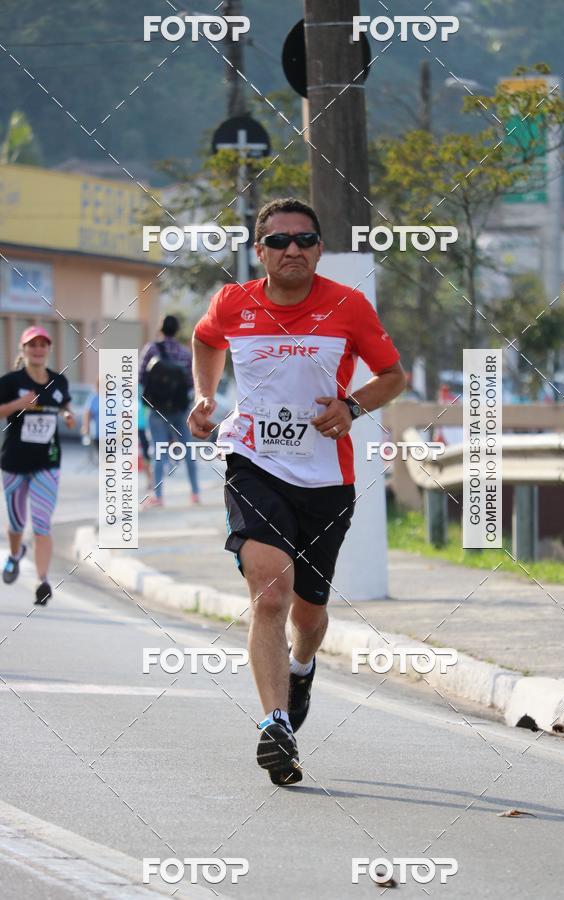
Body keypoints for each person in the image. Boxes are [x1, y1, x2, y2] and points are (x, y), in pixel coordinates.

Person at [188, 197, 406, 785]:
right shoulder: (233, 302)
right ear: (259, 251)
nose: (293, 250)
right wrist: (206, 396)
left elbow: (393, 375)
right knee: (270, 595)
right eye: (280, 241)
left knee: (308, 615)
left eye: (305, 240)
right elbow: (206, 341)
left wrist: (352, 407)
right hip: (254, 463)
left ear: (319, 249)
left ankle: (302, 666)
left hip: (326, 481)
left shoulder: (348, 305)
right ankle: (275, 723)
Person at [0, 325, 74, 604]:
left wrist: (67, 415)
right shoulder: (10, 382)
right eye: (32, 345)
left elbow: (65, 405)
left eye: (43, 344)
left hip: (47, 462)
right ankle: (15, 553)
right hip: (14, 462)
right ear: (23, 349)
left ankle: (42, 581)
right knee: (17, 523)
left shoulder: (59, 381)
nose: (38, 349)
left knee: (42, 524)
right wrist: (18, 404)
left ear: (49, 349)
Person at [139, 314, 200, 506]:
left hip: (157, 409)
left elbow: (141, 377)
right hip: (180, 409)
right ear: (177, 330)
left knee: (158, 451)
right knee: (188, 450)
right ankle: (195, 493)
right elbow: (191, 382)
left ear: (161, 329)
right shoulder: (185, 354)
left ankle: (158, 496)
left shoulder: (151, 349)